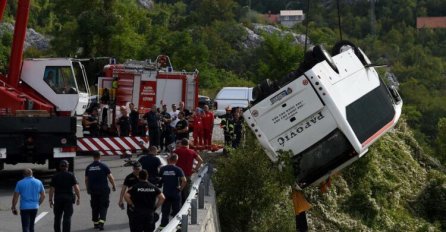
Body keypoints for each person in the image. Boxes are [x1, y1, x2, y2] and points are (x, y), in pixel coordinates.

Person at [85, 151, 117, 230]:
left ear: (93, 157)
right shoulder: (104, 166)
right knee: (103, 205)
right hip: (103, 190)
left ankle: (95, 223)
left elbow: (86, 179)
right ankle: (101, 223)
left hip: (93, 190)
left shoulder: (89, 167)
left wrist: (88, 188)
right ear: (100, 156)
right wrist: (113, 185)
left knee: (95, 206)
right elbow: (110, 177)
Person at [49, 160, 81, 232]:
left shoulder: (55, 176)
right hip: (68, 199)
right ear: (67, 166)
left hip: (58, 199)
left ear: (60, 167)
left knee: (57, 218)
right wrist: (78, 197)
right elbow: (76, 188)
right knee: (67, 217)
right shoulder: (71, 175)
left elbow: (51, 189)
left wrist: (50, 200)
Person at [159, 154, 186, 228]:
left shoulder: (163, 169)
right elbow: (184, 180)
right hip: (175, 193)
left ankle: (163, 226)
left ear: (169, 160)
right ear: (176, 160)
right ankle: (177, 226)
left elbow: (159, 179)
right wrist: (180, 188)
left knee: (165, 211)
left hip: (166, 193)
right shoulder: (178, 169)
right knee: (177, 210)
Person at [174, 138, 203, 204]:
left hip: (177, 175)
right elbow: (200, 160)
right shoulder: (192, 152)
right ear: (188, 144)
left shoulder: (176, 151)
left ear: (181, 144)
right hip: (187, 174)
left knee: (177, 190)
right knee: (186, 191)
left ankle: (177, 206)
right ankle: (186, 206)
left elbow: (170, 160)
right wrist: (195, 169)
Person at [118, 161, 142, 232]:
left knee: (141, 220)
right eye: (135, 169)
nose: (137, 170)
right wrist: (120, 200)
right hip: (131, 201)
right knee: (132, 220)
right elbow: (123, 189)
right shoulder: (129, 177)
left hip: (142, 201)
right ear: (133, 169)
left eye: (138, 169)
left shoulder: (144, 175)